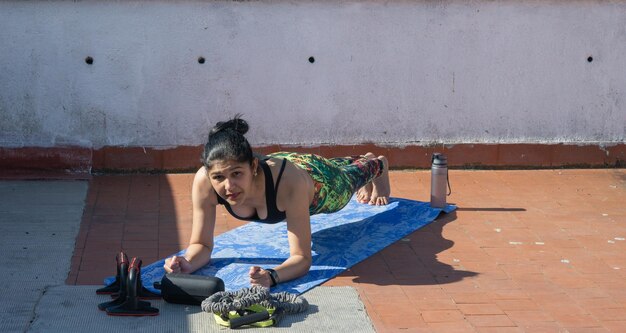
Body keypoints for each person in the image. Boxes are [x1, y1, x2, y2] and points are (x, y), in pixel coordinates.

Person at [163, 115, 391, 288]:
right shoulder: (204, 180)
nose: (228, 187)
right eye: (219, 177)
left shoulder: (288, 183)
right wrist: (188, 263)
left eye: (236, 174)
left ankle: (377, 165)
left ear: (252, 166)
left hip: (317, 184)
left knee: (345, 182)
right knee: (335, 167)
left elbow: (302, 258)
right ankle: (361, 161)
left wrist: (272, 276)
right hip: (289, 165)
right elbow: (201, 245)